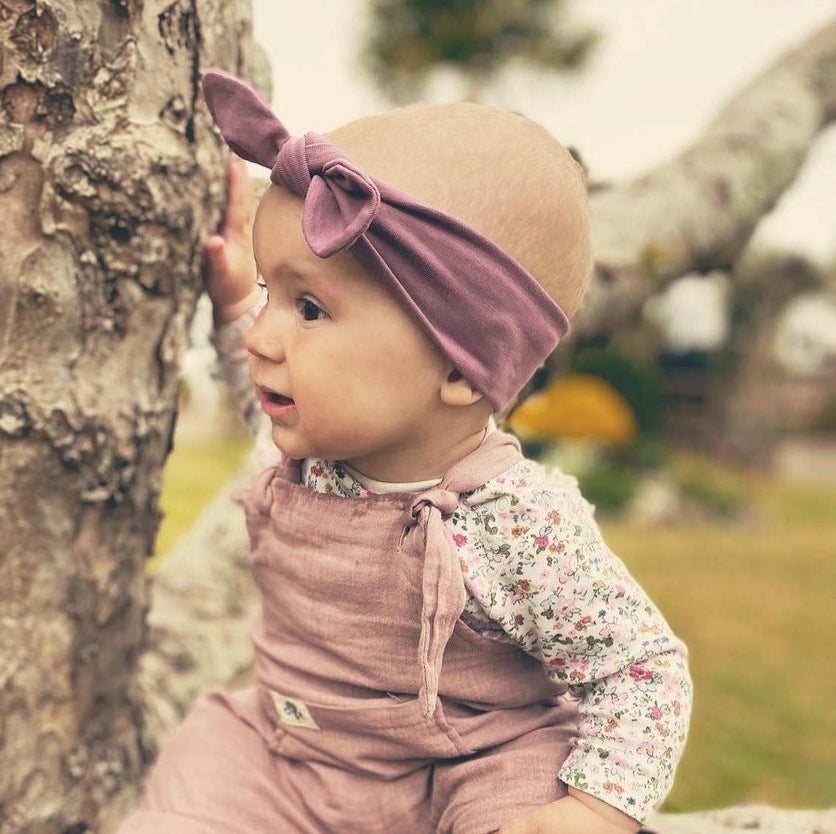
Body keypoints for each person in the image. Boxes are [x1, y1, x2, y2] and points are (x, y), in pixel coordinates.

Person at [118, 69, 691, 834]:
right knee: (197, 776)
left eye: (309, 308)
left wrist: (594, 807)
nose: (263, 336)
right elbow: (251, 377)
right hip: (294, 755)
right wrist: (229, 304)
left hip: (471, 766)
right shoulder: (313, 458)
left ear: (458, 366)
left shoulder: (516, 522)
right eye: (269, 296)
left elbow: (639, 667)